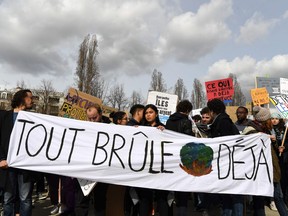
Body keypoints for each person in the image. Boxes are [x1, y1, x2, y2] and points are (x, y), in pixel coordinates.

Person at [243, 107, 288, 216]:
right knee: (259, 198)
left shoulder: (266, 130)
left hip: (272, 170)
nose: (272, 122)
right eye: (269, 119)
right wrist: (262, 138)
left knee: (278, 196)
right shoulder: (251, 131)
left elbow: (272, 151)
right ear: (264, 120)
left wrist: (275, 143)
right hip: (260, 171)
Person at [0, 89, 34, 216]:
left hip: (25, 165)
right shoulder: (4, 116)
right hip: (7, 165)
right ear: (22, 99)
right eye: (30, 97)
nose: (33, 100)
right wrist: (1, 159)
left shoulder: (34, 119)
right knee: (8, 199)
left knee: (25, 199)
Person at [207, 99, 243, 216]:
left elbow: (225, 143)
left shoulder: (222, 122)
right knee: (227, 193)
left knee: (234, 195)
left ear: (212, 111)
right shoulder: (223, 120)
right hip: (227, 164)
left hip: (229, 164)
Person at [74, 104, 111, 216]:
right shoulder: (82, 127)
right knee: (81, 202)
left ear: (100, 114)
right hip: (84, 170)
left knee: (100, 202)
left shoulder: (111, 128)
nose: (92, 121)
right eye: (89, 118)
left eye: (94, 117)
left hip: (102, 171)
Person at [137, 104, 169, 216]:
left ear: (156, 114)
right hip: (144, 168)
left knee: (161, 197)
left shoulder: (163, 128)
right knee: (144, 198)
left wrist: (165, 131)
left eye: (150, 112)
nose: (148, 115)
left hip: (159, 168)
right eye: (146, 113)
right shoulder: (140, 128)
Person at [166, 100, 194, 216]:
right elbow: (187, 139)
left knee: (171, 189)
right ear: (188, 110)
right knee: (182, 190)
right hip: (182, 158)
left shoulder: (169, 120)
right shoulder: (185, 121)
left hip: (170, 157)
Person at [124, 104, 145, 216]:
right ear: (138, 112)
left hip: (139, 165)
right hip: (131, 166)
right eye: (144, 112)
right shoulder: (130, 126)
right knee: (130, 194)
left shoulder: (141, 125)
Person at [271, 113, 288, 205]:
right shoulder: (268, 129)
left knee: (283, 177)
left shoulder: (285, 129)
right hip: (273, 157)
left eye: (276, 118)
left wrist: (284, 147)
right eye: (272, 118)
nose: (274, 120)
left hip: (282, 158)